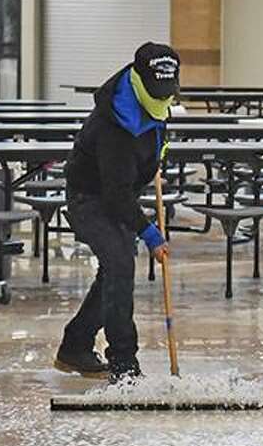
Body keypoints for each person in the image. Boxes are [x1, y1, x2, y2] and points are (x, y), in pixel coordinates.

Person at [54, 42, 179, 384]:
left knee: (115, 271)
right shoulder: (115, 124)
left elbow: (143, 153)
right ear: (137, 79)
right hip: (89, 198)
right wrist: (149, 231)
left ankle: (75, 346)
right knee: (121, 265)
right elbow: (114, 194)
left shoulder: (154, 101)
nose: (162, 98)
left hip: (120, 193)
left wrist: (148, 166)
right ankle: (123, 363)